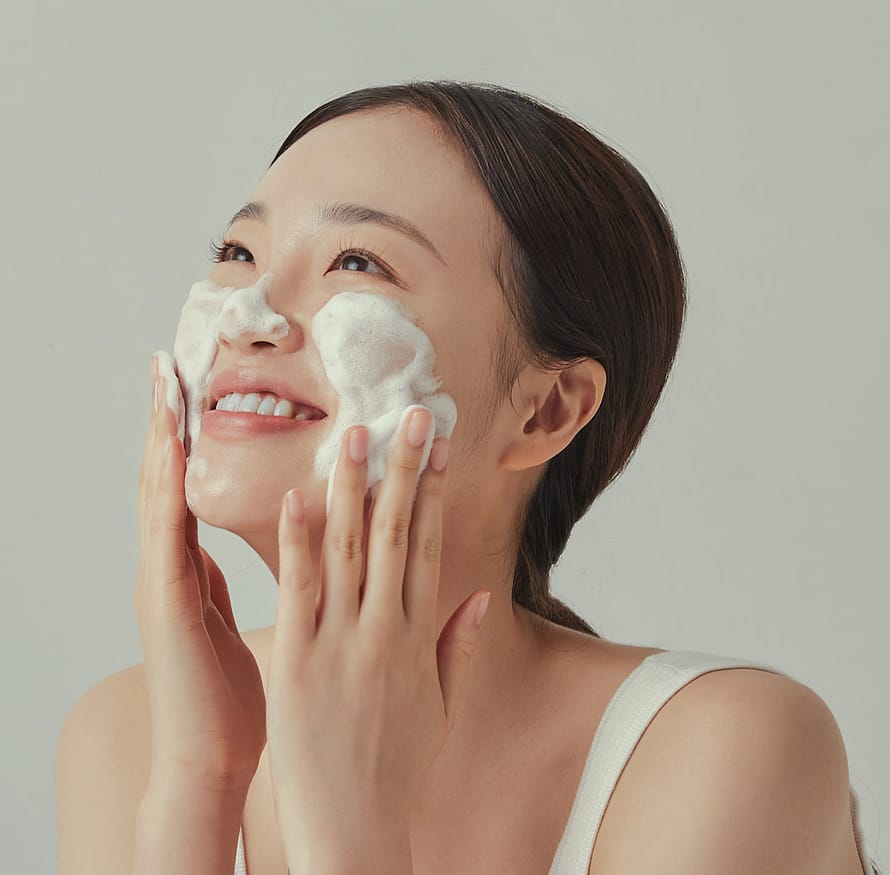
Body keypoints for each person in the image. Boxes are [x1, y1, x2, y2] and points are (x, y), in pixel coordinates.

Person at [56, 81, 879, 875]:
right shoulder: (132, 737)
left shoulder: (726, 750)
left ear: (546, 410)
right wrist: (199, 784)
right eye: (239, 252)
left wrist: (351, 830)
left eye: (356, 260)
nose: (247, 315)